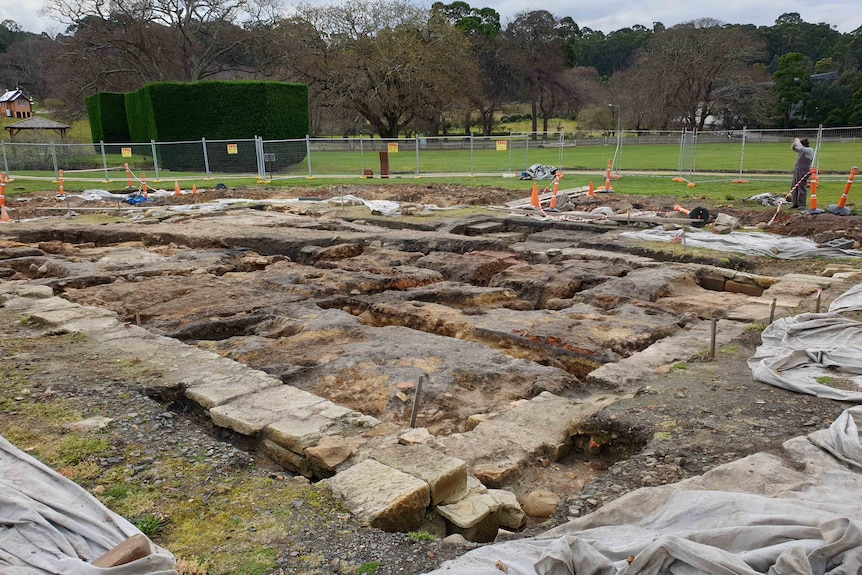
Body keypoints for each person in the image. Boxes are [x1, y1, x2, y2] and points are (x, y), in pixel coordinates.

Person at [789, 137, 815, 208]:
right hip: (797, 170)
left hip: (803, 170)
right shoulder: (802, 151)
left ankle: (801, 204)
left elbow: (800, 148)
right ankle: (795, 203)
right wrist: (794, 144)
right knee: (794, 186)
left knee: (801, 187)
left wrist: (797, 141)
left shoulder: (809, 150)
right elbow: (794, 149)